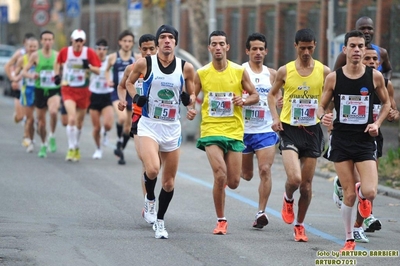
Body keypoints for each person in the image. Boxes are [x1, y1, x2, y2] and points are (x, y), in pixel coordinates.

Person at [318, 30, 390, 252]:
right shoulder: (334, 77)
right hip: (341, 140)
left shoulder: (374, 77)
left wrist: (376, 124)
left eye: (360, 46)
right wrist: (324, 116)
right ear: (345, 49)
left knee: (369, 192)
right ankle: (349, 238)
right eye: (353, 46)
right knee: (349, 193)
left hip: (365, 140)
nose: (357, 50)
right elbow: (321, 106)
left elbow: (387, 105)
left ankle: (359, 196)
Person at [122, 25, 196, 239]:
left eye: (170, 37)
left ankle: (160, 222)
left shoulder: (186, 67)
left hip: (172, 127)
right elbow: (128, 82)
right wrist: (136, 97)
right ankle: (149, 200)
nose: (166, 41)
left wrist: (188, 100)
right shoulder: (145, 63)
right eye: (162, 37)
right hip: (149, 124)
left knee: (169, 181)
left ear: (175, 42)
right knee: (153, 169)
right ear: (157, 42)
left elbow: (191, 96)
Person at [267, 29, 330, 242]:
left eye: (309, 47)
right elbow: (271, 94)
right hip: (289, 129)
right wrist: (275, 117)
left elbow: (332, 96)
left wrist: (327, 113)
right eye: (302, 47)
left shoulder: (324, 71)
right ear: (295, 46)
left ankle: (300, 225)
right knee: (295, 178)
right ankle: (287, 197)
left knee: (307, 184)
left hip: (313, 130)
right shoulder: (285, 71)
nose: (306, 51)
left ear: (315, 46)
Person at [332, 47, 399, 244]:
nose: (371, 61)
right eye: (367, 58)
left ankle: (359, 224)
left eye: (374, 59)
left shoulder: (384, 84)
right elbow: (332, 102)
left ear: (379, 62)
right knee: (352, 186)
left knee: (369, 187)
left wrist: (393, 116)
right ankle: (355, 228)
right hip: (347, 137)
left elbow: (392, 110)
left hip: (372, 137)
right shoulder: (349, 81)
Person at [195, 30, 259, 235]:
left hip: (234, 130)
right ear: (209, 48)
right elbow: (191, 96)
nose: (218, 47)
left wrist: (244, 100)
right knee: (220, 174)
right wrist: (189, 107)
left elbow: (255, 96)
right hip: (211, 129)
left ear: (227, 47)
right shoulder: (202, 73)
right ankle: (221, 220)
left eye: (221, 43)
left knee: (233, 182)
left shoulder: (239, 71)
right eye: (214, 44)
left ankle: (221, 185)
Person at [240, 33, 279, 229]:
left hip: (265, 129)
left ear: (266, 51)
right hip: (243, 131)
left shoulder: (271, 74)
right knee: (246, 175)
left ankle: (261, 212)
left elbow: (277, 96)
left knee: (265, 169)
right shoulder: (240, 71)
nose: (257, 52)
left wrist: (279, 102)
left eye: (261, 49)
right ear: (247, 51)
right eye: (253, 49)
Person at [117, 33, 157, 195]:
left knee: (157, 165)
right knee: (146, 163)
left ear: (157, 49)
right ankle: (148, 200)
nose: (148, 52)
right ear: (139, 49)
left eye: (152, 49)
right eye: (145, 49)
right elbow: (122, 86)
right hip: (139, 118)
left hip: (160, 120)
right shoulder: (132, 69)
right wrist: (122, 100)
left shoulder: (166, 70)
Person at [54, 29, 101, 162]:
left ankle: (76, 145)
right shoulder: (65, 52)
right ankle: (71, 147)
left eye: (81, 40)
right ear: (72, 40)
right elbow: (57, 62)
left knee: (79, 123)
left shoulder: (89, 53)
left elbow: (98, 70)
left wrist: (89, 67)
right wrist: (56, 75)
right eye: (76, 40)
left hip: (83, 90)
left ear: (84, 41)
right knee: (72, 118)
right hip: (68, 89)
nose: (78, 43)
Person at [21, 30, 60, 158]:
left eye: (50, 39)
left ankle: (52, 136)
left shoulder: (57, 55)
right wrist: (32, 75)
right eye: (45, 39)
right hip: (40, 90)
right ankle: (44, 144)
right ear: (41, 41)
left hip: (53, 90)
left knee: (54, 111)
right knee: (41, 123)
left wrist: (59, 77)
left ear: (53, 41)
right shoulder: (35, 56)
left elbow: (64, 70)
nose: (47, 42)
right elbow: (24, 71)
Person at [107, 30, 136, 165]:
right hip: (117, 92)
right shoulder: (113, 57)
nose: (127, 43)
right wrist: (108, 80)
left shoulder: (136, 58)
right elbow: (106, 70)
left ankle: (121, 150)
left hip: (131, 93)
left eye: (130, 41)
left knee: (128, 128)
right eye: (125, 41)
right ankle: (118, 142)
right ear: (120, 42)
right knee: (122, 117)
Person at [88, 38, 114, 159]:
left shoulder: (110, 60)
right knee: (96, 127)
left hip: (107, 95)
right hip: (94, 95)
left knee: (108, 124)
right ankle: (98, 149)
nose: (101, 51)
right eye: (99, 49)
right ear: (95, 49)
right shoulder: (90, 60)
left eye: (104, 49)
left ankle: (105, 131)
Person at [13, 37, 40, 153]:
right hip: (27, 91)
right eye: (30, 46)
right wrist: (16, 77)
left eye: (35, 46)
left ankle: (36, 134)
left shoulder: (41, 59)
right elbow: (16, 73)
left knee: (39, 118)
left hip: (39, 90)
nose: (33, 49)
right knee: (30, 118)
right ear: (26, 47)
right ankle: (29, 138)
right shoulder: (22, 59)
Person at [5, 33, 35, 126]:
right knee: (20, 117)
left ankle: (28, 137)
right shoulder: (19, 53)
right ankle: (18, 116)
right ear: (24, 44)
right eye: (27, 45)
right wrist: (12, 79)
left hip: (30, 87)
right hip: (19, 86)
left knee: (29, 116)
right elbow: (7, 66)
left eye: (33, 45)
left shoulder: (36, 55)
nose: (30, 48)